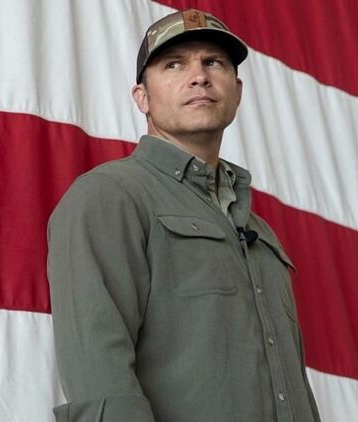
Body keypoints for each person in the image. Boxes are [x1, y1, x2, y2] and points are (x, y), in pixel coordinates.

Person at [47, 9, 321, 422]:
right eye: (174, 64)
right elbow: (99, 379)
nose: (199, 77)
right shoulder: (109, 196)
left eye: (214, 62)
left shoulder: (257, 230)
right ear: (142, 97)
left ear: (237, 91)